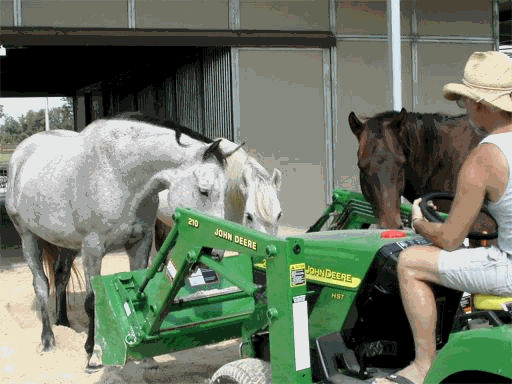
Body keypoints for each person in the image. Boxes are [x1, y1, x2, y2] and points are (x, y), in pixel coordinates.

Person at [375, 50, 512, 384]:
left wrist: (419, 221)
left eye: (466, 100)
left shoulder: (485, 157)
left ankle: (423, 365)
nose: (463, 108)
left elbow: (451, 238)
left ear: (482, 105)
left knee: (409, 262)